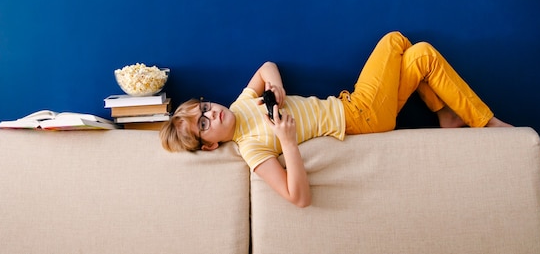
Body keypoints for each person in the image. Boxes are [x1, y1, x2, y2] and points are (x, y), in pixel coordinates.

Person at [159, 31, 512, 207]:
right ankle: (488, 124)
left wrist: (276, 86)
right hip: (359, 116)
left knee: (421, 56)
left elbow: (266, 67)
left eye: (203, 108)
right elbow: (298, 197)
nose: (211, 114)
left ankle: (448, 116)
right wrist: (286, 141)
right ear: (210, 143)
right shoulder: (250, 148)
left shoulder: (241, 103)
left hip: (357, 106)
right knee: (394, 41)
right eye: (203, 124)